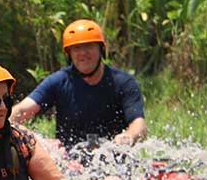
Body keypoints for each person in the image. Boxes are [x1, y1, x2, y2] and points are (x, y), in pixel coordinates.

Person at [10, 19, 147, 148]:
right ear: (69, 54)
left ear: (101, 49)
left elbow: (138, 124)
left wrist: (128, 136)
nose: (83, 53)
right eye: (76, 48)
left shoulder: (124, 82)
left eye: (89, 46)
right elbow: (22, 110)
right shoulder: (58, 81)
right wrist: (4, 128)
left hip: (113, 159)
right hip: (70, 161)